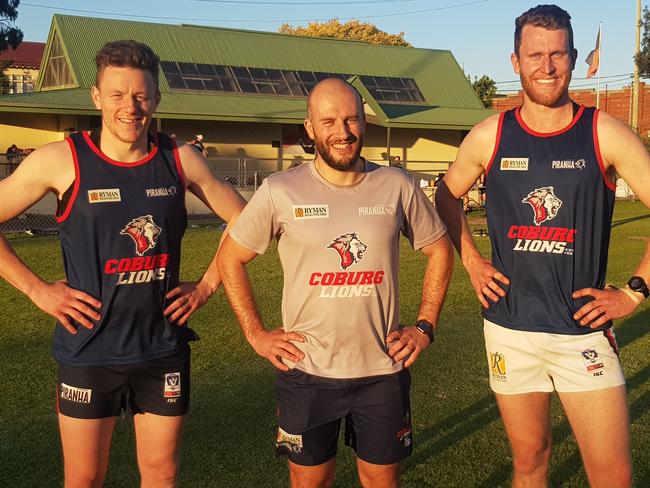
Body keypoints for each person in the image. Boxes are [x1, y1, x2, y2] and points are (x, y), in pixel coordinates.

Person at [0, 40, 245, 487]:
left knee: (160, 474)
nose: (129, 107)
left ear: (155, 98)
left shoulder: (180, 158)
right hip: (89, 350)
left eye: (140, 96)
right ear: (96, 97)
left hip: (162, 348)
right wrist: (37, 288)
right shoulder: (61, 160)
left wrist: (208, 285)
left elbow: (247, 223)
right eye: (117, 95)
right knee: (84, 478)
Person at [435, 5, 650, 487]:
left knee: (611, 475)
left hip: (580, 333)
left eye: (557, 54)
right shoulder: (491, 134)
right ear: (515, 61)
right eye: (535, 55)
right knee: (530, 460)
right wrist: (471, 261)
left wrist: (635, 292)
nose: (546, 66)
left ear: (573, 58)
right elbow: (446, 196)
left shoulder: (603, 132)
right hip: (509, 330)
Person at [217, 78, 453, 488]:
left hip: (382, 371)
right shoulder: (280, 190)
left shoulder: (398, 185)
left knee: (381, 482)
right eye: (328, 121)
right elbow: (230, 258)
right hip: (307, 372)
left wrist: (424, 325)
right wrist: (255, 333)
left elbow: (440, 250)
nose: (342, 133)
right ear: (309, 127)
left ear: (364, 122)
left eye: (351, 120)